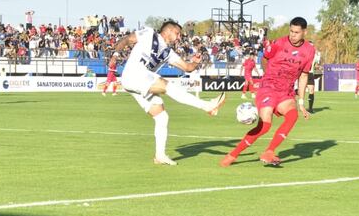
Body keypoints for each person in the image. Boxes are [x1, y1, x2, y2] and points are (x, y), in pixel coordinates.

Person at [115, 20, 226, 166]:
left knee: (162, 117)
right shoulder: (149, 34)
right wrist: (116, 54)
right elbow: (127, 39)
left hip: (141, 81)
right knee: (167, 85)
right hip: (133, 75)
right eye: (177, 33)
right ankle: (207, 106)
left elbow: (187, 67)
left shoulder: (168, 52)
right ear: (168, 31)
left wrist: (195, 62)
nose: (179, 37)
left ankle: (159, 156)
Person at [220, 17, 315, 167]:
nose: (293, 35)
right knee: (265, 126)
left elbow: (303, 75)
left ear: (304, 32)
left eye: (296, 32)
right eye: (291, 31)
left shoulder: (310, 50)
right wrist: (268, 76)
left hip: (286, 91)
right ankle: (233, 154)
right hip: (268, 87)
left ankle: (269, 151)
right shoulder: (279, 43)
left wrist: (301, 102)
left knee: (293, 115)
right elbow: (264, 59)